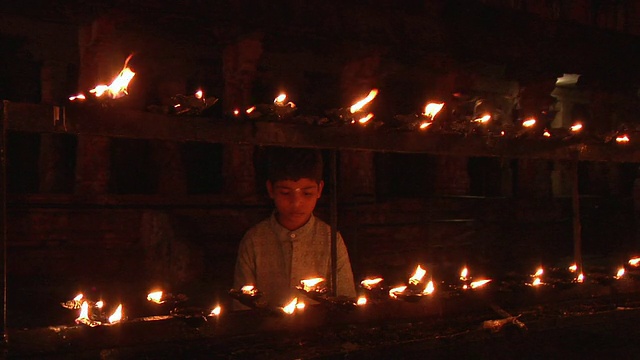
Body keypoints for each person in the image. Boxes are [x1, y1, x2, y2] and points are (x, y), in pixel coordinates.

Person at [233, 147, 356, 308]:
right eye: (285, 193)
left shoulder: (330, 239)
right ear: (271, 189)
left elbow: (346, 302)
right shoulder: (255, 240)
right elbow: (241, 306)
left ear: (319, 189)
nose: (296, 203)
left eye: (307, 193)